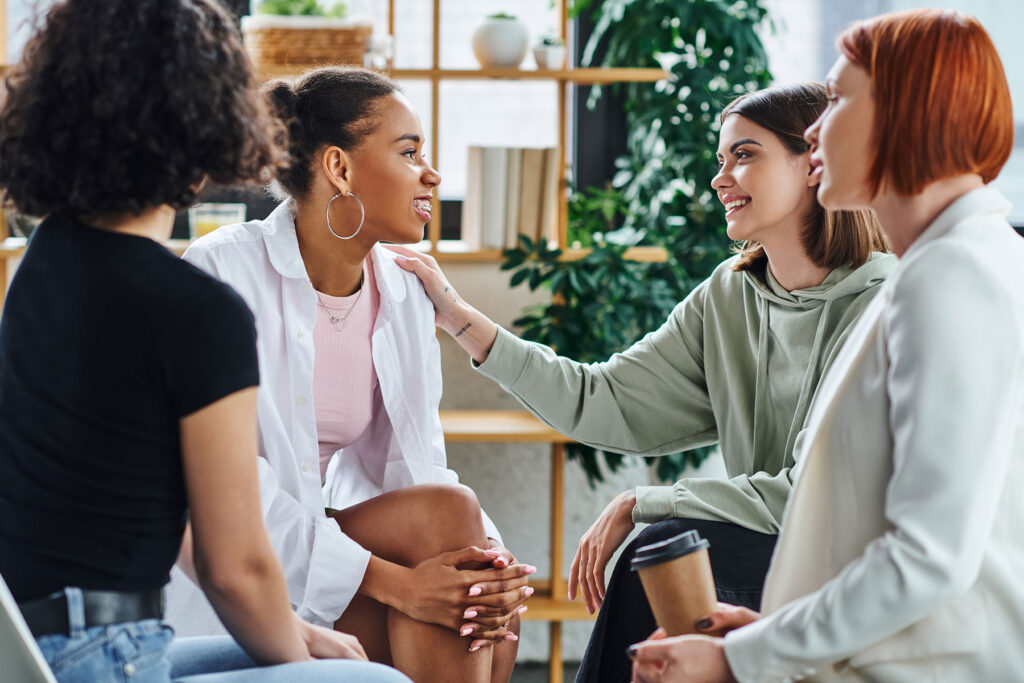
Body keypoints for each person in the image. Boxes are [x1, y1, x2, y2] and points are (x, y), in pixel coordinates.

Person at [391, 82, 894, 681]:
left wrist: (644, 502)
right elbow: (603, 399)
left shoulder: (883, 307)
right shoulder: (727, 296)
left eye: (745, 154)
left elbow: (810, 495)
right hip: (770, 552)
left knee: (668, 539)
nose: (720, 178)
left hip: (856, 568)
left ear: (814, 163)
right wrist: (462, 320)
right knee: (666, 550)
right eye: (720, 159)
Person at [0, 2, 407, 682]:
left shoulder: (44, 261)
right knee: (377, 681)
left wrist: (297, 633)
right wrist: (296, 647)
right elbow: (235, 567)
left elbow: (184, 521)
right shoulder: (199, 311)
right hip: (103, 656)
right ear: (203, 124)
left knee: (317, 652)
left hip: (25, 644)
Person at [629, 9, 1023, 682]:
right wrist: (780, 632)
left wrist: (741, 660)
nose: (814, 129)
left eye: (838, 100)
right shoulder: (948, 264)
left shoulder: (952, 277)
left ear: (904, 113)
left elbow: (929, 556)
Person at [166, 66, 532, 683]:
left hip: (322, 559)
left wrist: (487, 566)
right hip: (233, 577)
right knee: (458, 569)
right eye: (410, 152)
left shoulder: (404, 288)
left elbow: (416, 474)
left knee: (484, 599)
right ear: (339, 168)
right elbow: (228, 500)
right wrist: (401, 585)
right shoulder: (221, 272)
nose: (433, 175)